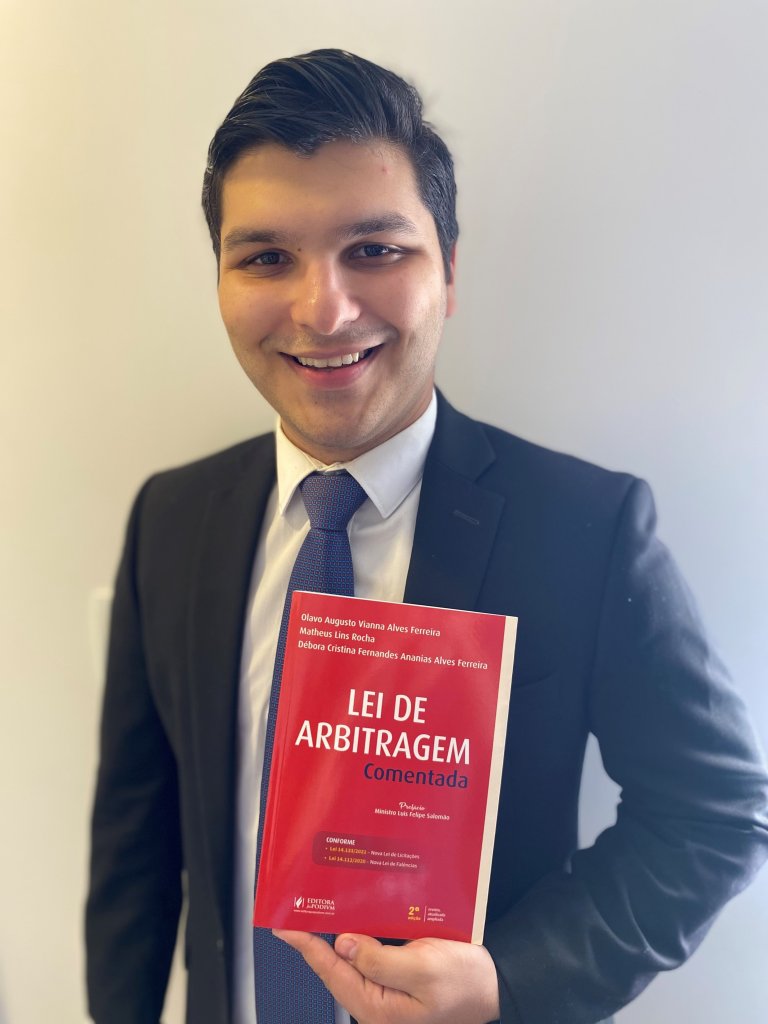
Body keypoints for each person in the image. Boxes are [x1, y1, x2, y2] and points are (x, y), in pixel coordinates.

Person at [85, 48, 768, 1024]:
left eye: (374, 249)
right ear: (221, 278)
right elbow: (135, 837)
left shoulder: (585, 529)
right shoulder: (173, 518)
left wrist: (510, 982)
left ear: (447, 270)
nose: (324, 309)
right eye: (266, 257)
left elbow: (714, 812)